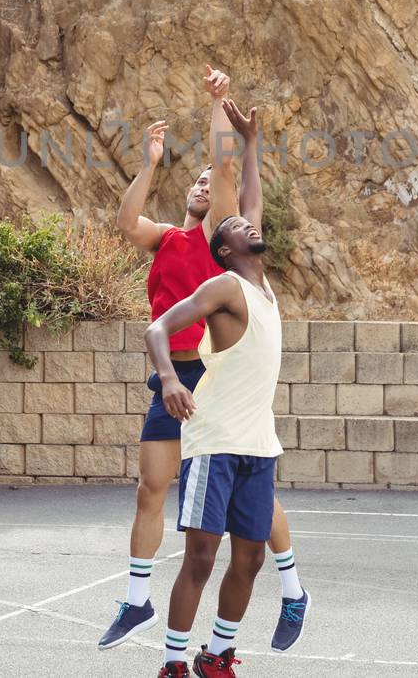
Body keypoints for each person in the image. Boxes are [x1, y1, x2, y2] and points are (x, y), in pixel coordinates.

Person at [98, 71, 307, 655]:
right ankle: (138, 600)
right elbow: (125, 222)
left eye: (206, 181)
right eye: (191, 181)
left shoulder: (223, 241)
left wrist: (219, 106)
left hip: (208, 378)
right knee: (151, 488)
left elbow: (228, 174)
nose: (201, 185)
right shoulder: (168, 239)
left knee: (252, 500)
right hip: (173, 379)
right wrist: (150, 162)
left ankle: (291, 587)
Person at [146, 138, 282, 678]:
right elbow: (157, 328)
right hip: (215, 442)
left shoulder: (262, 285)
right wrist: (170, 379)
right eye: (237, 229)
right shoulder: (223, 284)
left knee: (250, 558)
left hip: (258, 445)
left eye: (251, 226)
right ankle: (173, 663)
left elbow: (252, 201)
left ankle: (216, 654)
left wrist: (250, 145)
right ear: (224, 249)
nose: (250, 227)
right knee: (201, 558)